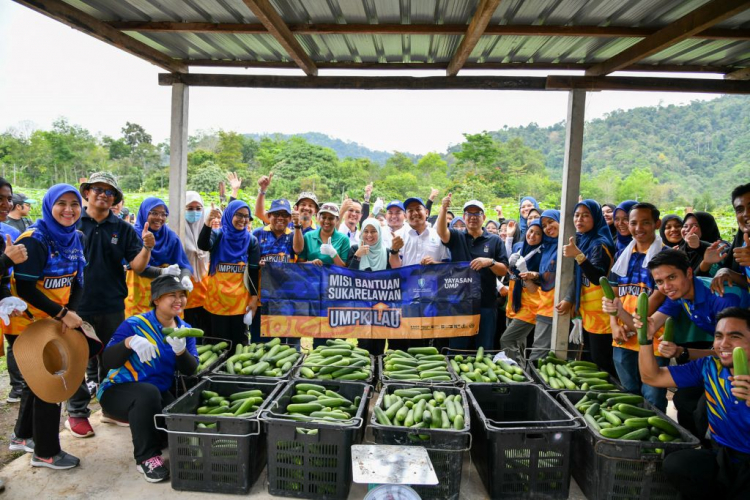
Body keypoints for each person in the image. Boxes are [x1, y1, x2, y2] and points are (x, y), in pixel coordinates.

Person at [10, 184, 100, 469]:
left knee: (35, 382)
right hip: (26, 323)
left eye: (74, 203)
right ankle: (46, 452)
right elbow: (25, 288)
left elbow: (78, 280)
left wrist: (70, 310)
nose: (69, 210)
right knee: (47, 381)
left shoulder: (77, 238)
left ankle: (23, 436)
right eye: (61, 203)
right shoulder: (35, 240)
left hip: (53, 319)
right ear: (49, 206)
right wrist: (62, 313)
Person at [66, 172, 153, 439]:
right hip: (75, 306)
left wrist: (147, 247)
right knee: (76, 360)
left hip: (112, 304)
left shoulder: (123, 228)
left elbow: (137, 267)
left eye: (109, 192)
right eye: (98, 189)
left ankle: (110, 408)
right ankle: (77, 413)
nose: (103, 194)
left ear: (115, 198)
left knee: (112, 360)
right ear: (87, 193)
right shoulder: (72, 223)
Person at [638, 307, 750, 500]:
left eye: (735, 336)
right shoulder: (709, 366)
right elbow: (652, 377)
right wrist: (646, 339)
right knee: (678, 465)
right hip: (723, 457)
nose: (723, 344)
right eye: (718, 336)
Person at [97, 275, 199, 483]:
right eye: (172, 295)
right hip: (118, 391)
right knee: (148, 393)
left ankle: (154, 437)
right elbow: (108, 361)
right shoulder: (135, 324)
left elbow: (191, 370)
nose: (178, 300)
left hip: (156, 393)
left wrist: (181, 352)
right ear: (157, 300)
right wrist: (128, 342)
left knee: (177, 422)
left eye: (182, 295)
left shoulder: (185, 329)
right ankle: (146, 458)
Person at [602, 202, 669, 410]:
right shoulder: (623, 255)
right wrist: (614, 324)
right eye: (633, 223)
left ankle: (654, 440)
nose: (638, 228)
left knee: (652, 397)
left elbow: (656, 301)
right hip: (623, 337)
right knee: (628, 395)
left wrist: (624, 319)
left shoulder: (666, 258)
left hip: (653, 339)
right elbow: (612, 294)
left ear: (657, 224)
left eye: (645, 222)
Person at [436, 196, 508, 350]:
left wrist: (490, 262)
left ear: (484, 217)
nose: (473, 217)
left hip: (487, 303)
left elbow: (503, 269)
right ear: (464, 217)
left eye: (477, 214)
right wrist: (443, 208)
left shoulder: (495, 240)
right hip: (460, 303)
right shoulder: (457, 236)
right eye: (469, 214)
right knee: (457, 348)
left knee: (484, 348)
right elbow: (442, 232)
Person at [557, 199, 616, 376]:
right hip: (589, 312)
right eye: (576, 215)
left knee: (601, 362)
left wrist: (579, 256)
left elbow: (598, 278)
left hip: (602, 313)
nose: (579, 220)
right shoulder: (585, 240)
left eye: (585, 215)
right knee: (590, 360)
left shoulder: (599, 243)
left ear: (596, 218)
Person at [198, 200, 260, 348]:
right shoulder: (218, 235)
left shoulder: (251, 241)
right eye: (239, 215)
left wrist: (254, 298)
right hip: (216, 301)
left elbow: (252, 272)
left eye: (246, 216)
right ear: (230, 214)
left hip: (239, 304)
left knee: (238, 346)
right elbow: (203, 245)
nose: (243, 220)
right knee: (217, 346)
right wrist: (207, 222)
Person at [125, 197, 193, 317]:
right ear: (144, 213)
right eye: (154, 213)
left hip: (166, 297)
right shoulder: (133, 235)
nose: (159, 218)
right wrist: (163, 271)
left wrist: (185, 277)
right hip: (139, 296)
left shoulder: (171, 237)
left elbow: (183, 265)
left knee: (167, 333)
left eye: (163, 214)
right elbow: (138, 268)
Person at [347, 218, 403, 355]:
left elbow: (395, 275)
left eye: (373, 231)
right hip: (362, 307)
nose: (369, 235)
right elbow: (348, 277)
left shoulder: (387, 252)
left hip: (382, 308)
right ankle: (366, 373)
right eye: (366, 231)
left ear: (379, 232)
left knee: (379, 342)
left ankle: (378, 373)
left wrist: (395, 251)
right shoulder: (355, 249)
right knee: (364, 345)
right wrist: (357, 257)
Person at [250, 198, 297, 344]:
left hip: (283, 299)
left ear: (290, 218)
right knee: (258, 341)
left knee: (280, 342)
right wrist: (258, 264)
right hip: (260, 298)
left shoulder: (294, 236)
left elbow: (300, 259)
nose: (280, 218)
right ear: (269, 216)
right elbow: (250, 264)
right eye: (276, 214)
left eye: (284, 214)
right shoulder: (257, 234)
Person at [499, 220, 542, 361]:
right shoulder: (519, 247)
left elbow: (536, 288)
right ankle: (522, 371)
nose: (532, 236)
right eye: (530, 231)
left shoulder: (542, 254)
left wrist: (527, 272)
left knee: (507, 340)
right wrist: (510, 237)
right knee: (518, 342)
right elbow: (509, 271)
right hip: (514, 303)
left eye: (538, 233)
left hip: (530, 307)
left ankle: (516, 372)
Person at [0, 180, 27, 404]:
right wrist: (6, 259)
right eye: (0, 199)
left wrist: (5, 296)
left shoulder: (3, 236)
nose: (5, 204)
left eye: (8, 199)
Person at [525, 209, 560, 361]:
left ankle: (532, 380)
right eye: (544, 225)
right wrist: (535, 275)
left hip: (559, 306)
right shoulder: (547, 247)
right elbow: (547, 275)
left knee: (540, 354)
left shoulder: (566, 245)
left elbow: (569, 276)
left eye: (551, 222)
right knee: (541, 352)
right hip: (544, 303)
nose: (547, 227)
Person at [182, 191, 211, 333]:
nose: (195, 212)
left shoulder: (208, 231)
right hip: (185, 292)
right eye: (190, 208)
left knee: (204, 334)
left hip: (205, 293)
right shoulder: (175, 230)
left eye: (198, 208)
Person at [255, 172, 319, 234]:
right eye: (303, 204)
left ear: (316, 210)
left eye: (311, 206)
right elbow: (259, 213)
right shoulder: (285, 221)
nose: (307, 208)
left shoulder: (318, 231)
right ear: (296, 208)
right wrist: (262, 189)